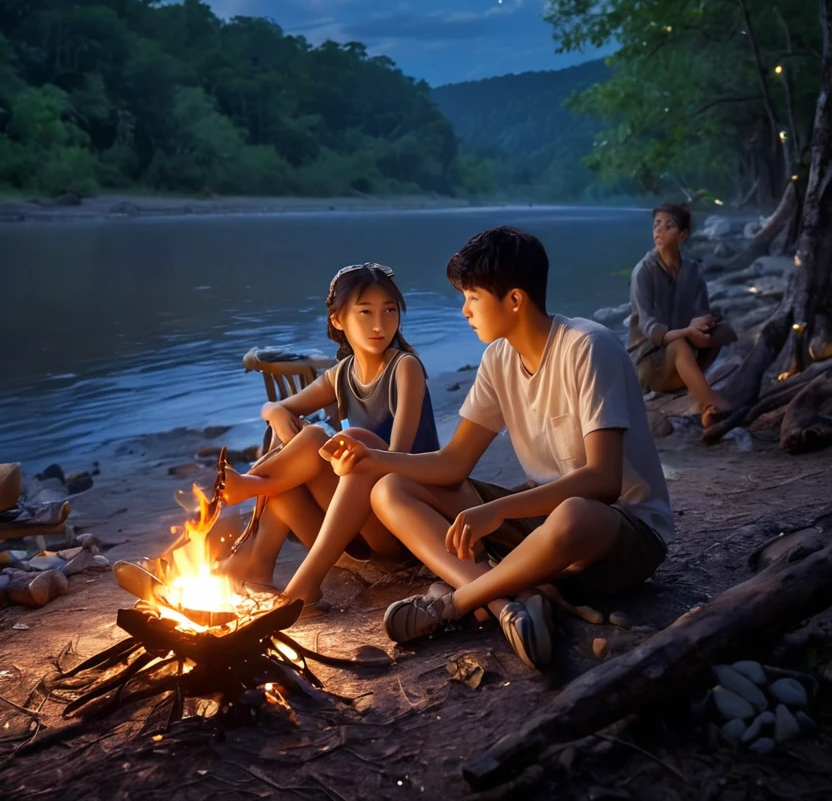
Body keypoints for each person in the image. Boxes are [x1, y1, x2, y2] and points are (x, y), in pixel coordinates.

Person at [319, 226, 673, 672]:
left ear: (515, 300)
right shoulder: (498, 358)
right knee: (390, 488)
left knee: (574, 513)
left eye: (472, 297)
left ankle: (457, 603)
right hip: (540, 525)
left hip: (621, 534)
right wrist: (373, 460)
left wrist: (500, 512)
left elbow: (604, 481)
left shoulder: (587, 347)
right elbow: (454, 463)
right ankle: (513, 600)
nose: (464, 310)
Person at [216, 262, 439, 608]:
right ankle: (256, 566)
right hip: (356, 529)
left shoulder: (404, 368)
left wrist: (330, 446)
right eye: (365, 312)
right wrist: (275, 412)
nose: (379, 324)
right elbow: (277, 408)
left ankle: (252, 490)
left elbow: (400, 460)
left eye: (389, 311)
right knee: (287, 476)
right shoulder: (341, 375)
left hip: (402, 519)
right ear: (338, 320)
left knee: (321, 440)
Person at [628, 204, 737, 426]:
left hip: (683, 351)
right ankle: (708, 401)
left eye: (669, 226)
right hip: (649, 362)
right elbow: (649, 327)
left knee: (723, 332)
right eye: (656, 224)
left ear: (682, 235)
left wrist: (703, 324)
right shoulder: (644, 272)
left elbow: (702, 311)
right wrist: (687, 331)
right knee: (678, 344)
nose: (659, 231)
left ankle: (694, 388)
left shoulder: (693, 271)